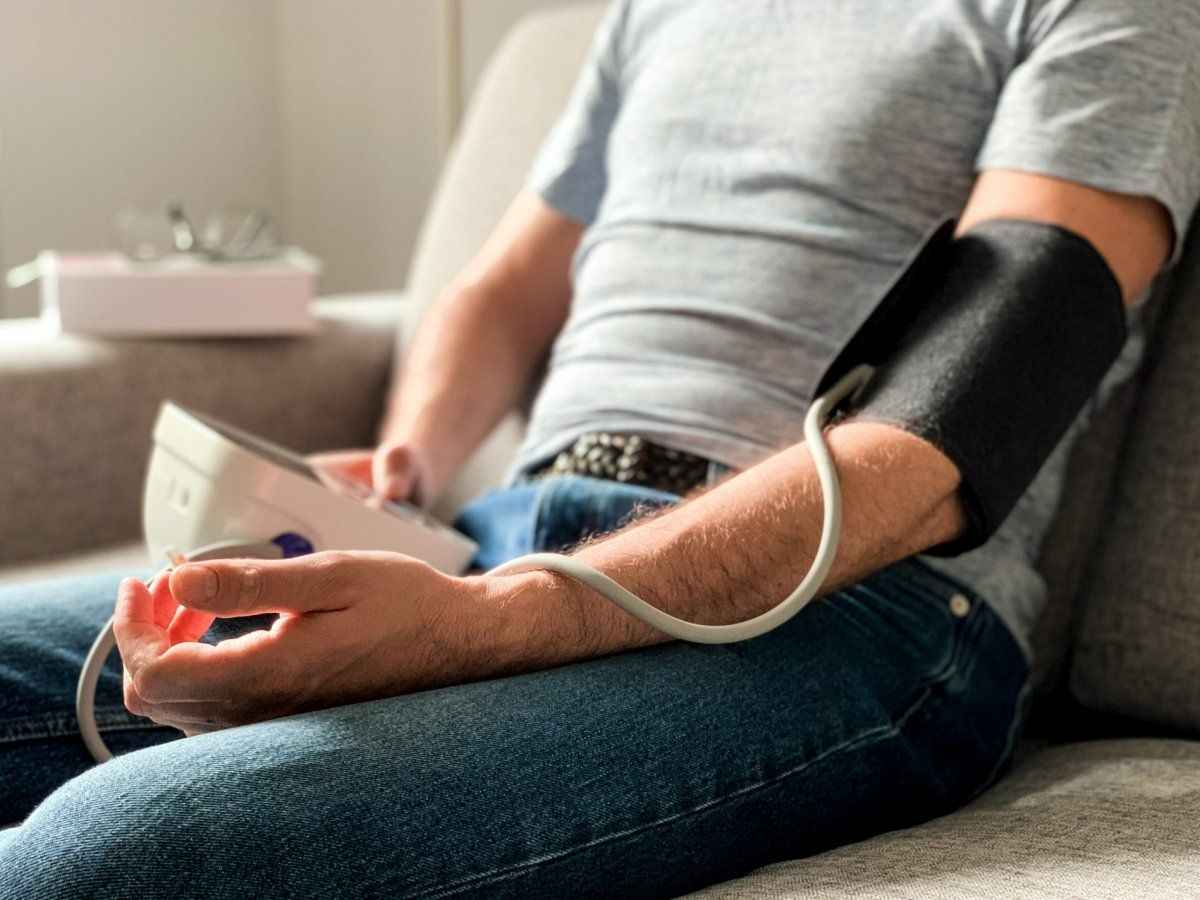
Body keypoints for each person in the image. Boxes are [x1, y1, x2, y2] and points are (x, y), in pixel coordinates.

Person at [2, 1, 1198, 896]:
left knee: (116, 858)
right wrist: (411, 462)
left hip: (849, 604)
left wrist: (490, 623)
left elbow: (953, 431)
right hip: (503, 538)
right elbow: (509, 286)